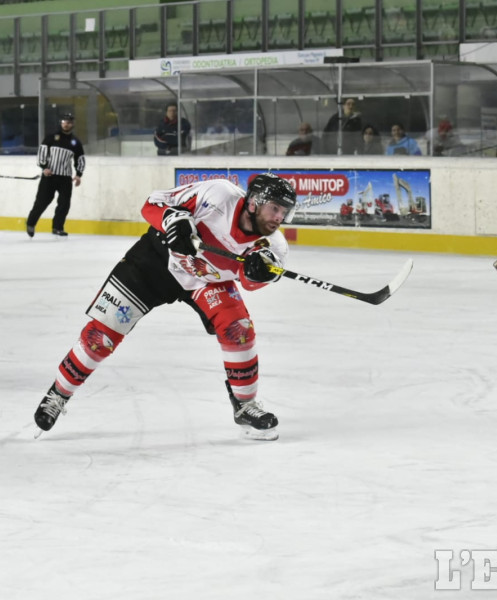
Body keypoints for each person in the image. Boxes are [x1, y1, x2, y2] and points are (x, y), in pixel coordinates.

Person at [32, 173, 298, 442]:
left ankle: (245, 405)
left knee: (237, 329)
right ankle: (59, 393)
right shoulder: (217, 194)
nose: (279, 217)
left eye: (284, 212)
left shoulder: (273, 246)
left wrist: (258, 273)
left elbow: (250, 283)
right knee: (101, 336)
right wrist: (172, 220)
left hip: (205, 280)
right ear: (254, 202)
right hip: (156, 260)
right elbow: (151, 205)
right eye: (274, 208)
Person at [26, 113, 85, 238]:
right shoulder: (51, 137)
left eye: (69, 122)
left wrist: (79, 174)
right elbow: (42, 152)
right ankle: (31, 223)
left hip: (65, 178)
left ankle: (57, 227)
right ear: (61, 122)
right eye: (64, 121)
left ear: (72, 124)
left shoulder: (75, 142)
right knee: (42, 202)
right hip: (49, 176)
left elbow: (80, 159)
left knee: (64, 204)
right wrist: (44, 167)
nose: (66, 124)